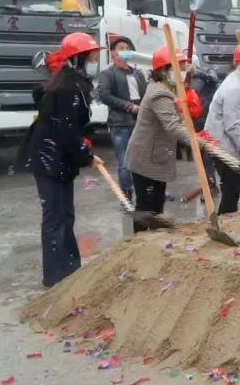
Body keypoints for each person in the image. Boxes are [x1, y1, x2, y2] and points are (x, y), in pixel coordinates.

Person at [21, 32, 101, 288]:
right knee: (55, 217)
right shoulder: (68, 87)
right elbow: (65, 129)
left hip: (60, 160)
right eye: (91, 56)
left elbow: (78, 123)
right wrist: (85, 154)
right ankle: (55, 277)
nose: (94, 60)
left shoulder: (75, 83)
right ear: (77, 58)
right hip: (49, 159)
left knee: (66, 216)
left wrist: (86, 139)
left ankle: (70, 269)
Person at [123, 45, 198, 231]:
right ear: (164, 70)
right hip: (146, 156)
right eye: (177, 68)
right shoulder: (159, 92)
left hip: (156, 154)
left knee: (156, 202)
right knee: (146, 204)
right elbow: (172, 126)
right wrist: (197, 141)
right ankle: (139, 243)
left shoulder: (167, 87)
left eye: (182, 67)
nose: (181, 72)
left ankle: (154, 240)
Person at [204, 42, 240, 214]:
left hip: (228, 143)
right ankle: (225, 219)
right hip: (221, 144)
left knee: (236, 184)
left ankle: (228, 218)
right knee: (233, 186)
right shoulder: (234, 88)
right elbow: (232, 126)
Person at [97, 34, 147, 199]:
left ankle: (142, 189)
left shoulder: (138, 73)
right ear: (113, 53)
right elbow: (104, 95)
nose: (124, 51)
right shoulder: (108, 73)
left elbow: (145, 94)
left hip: (138, 121)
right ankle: (126, 192)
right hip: (120, 123)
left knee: (141, 158)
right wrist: (128, 106)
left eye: (127, 49)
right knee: (124, 160)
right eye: (121, 48)